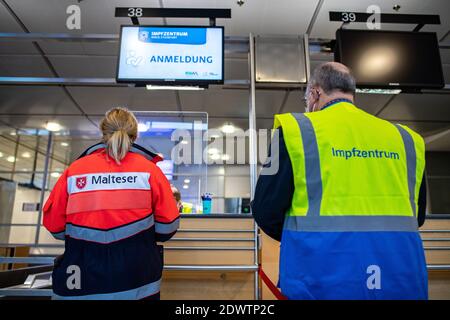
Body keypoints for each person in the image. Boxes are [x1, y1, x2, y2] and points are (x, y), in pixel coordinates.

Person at [251, 62, 428, 300]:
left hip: (318, 276)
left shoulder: (297, 132)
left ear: (314, 93)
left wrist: (306, 236)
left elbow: (265, 209)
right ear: (350, 93)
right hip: (399, 275)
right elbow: (416, 215)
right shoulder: (406, 139)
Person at [43, 107, 179, 300]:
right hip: (136, 280)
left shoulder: (75, 171)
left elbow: (55, 227)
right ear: (135, 135)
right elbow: (167, 228)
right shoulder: (150, 172)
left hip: (80, 280)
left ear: (103, 132)